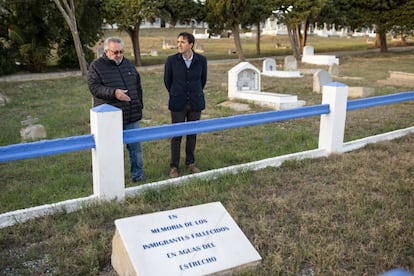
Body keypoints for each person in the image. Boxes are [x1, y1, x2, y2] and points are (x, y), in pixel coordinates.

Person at [87, 36, 145, 182]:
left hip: (132, 115)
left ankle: (138, 176)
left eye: (121, 52)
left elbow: (137, 86)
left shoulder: (128, 64)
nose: (119, 55)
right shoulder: (96, 66)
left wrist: (139, 105)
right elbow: (94, 88)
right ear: (106, 51)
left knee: (135, 149)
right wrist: (114, 93)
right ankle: (111, 180)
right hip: (110, 117)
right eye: (115, 52)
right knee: (111, 151)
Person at [164, 32, 207, 178]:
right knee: (176, 135)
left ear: (191, 45)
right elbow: (167, 81)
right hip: (178, 102)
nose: (179, 45)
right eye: (178, 42)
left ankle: (190, 162)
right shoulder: (171, 60)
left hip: (195, 101)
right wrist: (177, 92)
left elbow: (203, 81)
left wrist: (193, 93)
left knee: (192, 134)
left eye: (182, 42)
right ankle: (174, 166)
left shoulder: (201, 60)